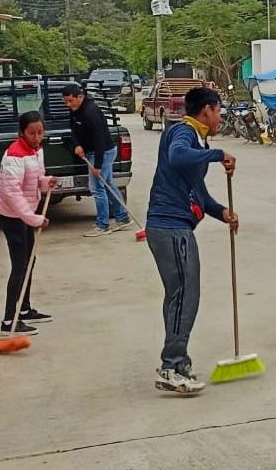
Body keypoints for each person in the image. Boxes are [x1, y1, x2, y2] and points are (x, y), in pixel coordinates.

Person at [146, 87, 238, 395]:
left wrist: (221, 212)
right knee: (185, 294)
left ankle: (178, 361)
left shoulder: (197, 138)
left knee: (180, 295)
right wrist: (217, 155)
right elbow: (178, 156)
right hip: (170, 226)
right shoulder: (183, 133)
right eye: (219, 111)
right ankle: (171, 365)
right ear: (208, 110)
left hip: (174, 225)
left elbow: (197, 192)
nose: (220, 117)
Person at [0, 111, 58, 336]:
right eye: (32, 133)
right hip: (12, 215)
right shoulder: (14, 155)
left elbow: (33, 180)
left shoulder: (36, 151)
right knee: (20, 265)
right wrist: (34, 219)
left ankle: (24, 309)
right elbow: (12, 193)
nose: (37, 137)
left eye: (40, 132)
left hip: (26, 212)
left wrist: (45, 182)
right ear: (22, 133)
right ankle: (9, 320)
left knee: (29, 260)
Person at [63, 84, 130, 237]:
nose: (68, 105)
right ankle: (122, 217)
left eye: (70, 101)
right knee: (109, 185)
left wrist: (98, 165)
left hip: (103, 152)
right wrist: (77, 145)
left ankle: (103, 225)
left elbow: (99, 140)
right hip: (92, 151)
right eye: (65, 102)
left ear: (80, 97)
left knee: (97, 188)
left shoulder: (90, 112)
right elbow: (73, 129)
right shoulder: (74, 110)